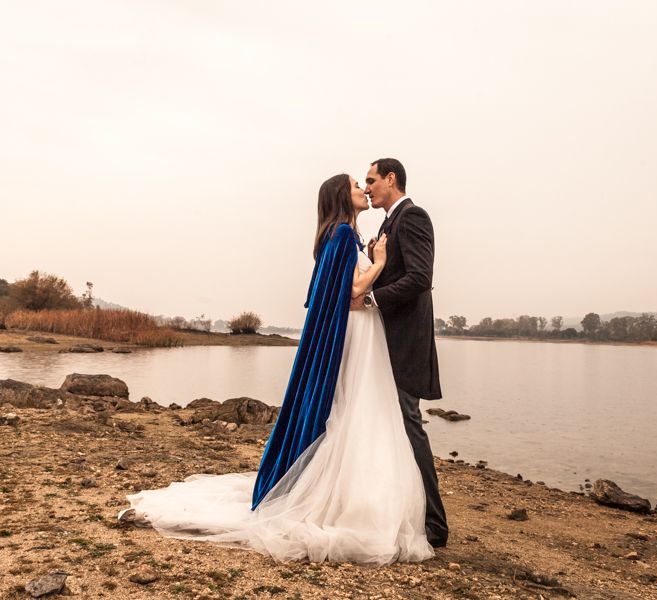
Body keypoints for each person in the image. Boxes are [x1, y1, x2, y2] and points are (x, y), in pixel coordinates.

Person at [122, 173, 434, 565]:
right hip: (356, 330)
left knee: (357, 408)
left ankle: (350, 494)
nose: (363, 190)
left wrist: (370, 263)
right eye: (357, 185)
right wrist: (382, 262)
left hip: (361, 331)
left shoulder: (345, 235)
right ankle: (346, 499)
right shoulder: (340, 235)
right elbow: (354, 291)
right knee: (356, 408)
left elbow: (350, 285)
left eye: (366, 182)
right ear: (342, 195)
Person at [358, 157, 448, 547]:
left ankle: (435, 525)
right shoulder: (387, 222)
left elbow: (420, 277)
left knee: (409, 425)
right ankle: (404, 509)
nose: (366, 188)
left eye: (371, 180)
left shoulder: (413, 217)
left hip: (405, 340)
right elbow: (396, 269)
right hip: (387, 339)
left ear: (391, 179)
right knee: (396, 426)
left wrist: (372, 298)